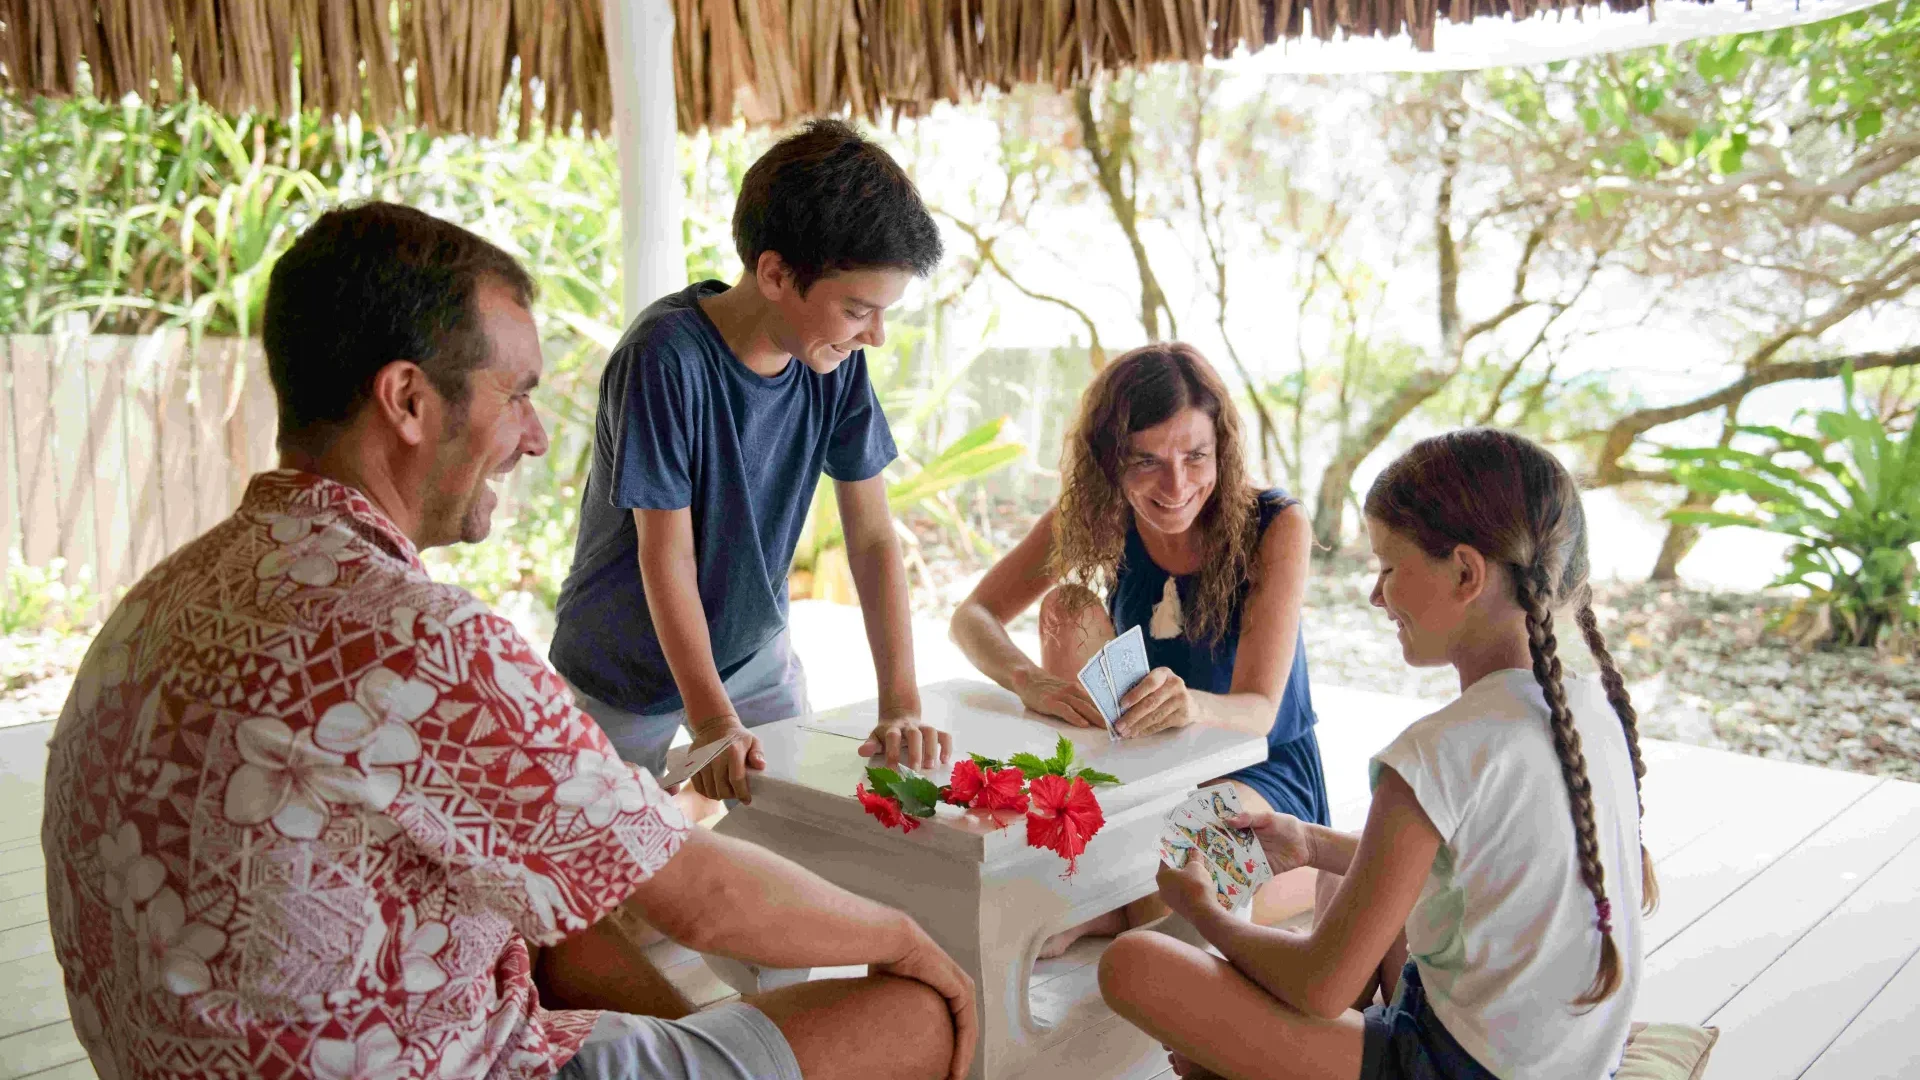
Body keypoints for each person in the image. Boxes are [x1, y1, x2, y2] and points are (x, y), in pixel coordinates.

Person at [41, 202, 975, 1080]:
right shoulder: (420, 640)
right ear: (407, 400)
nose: (534, 438)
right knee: (914, 1014)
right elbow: (698, 895)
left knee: (547, 908)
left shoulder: (158, 602)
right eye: (517, 394)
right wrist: (903, 938)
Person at [1098, 428, 1657, 1080]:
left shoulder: (1437, 753)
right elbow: (1465, 862)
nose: (1375, 595)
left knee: (1135, 964)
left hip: (1451, 1066)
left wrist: (1203, 912)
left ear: (1466, 573)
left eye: (1388, 569)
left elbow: (1318, 988)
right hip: (1570, 1063)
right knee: (1350, 880)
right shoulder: (1587, 707)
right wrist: (1309, 843)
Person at [549, 119, 948, 806]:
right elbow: (664, 556)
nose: (875, 337)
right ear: (774, 273)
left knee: (804, 825)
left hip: (752, 653)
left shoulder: (834, 360)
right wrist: (710, 723)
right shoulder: (663, 358)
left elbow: (875, 536)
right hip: (624, 666)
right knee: (603, 871)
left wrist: (901, 701)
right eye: (858, 310)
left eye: (882, 314)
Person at [948, 342, 1325, 956]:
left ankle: (1112, 910)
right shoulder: (1096, 510)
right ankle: (1124, 893)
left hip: (1261, 766)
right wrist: (1027, 680)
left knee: (1191, 857)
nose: (1176, 486)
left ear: (1221, 451)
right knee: (1065, 606)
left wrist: (1194, 705)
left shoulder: (1276, 523)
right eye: (1146, 461)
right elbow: (973, 616)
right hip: (1145, 762)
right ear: (1109, 462)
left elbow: (1258, 708)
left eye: (1195, 457)